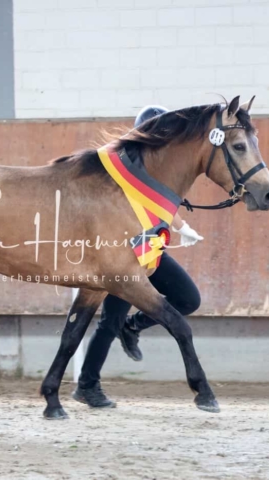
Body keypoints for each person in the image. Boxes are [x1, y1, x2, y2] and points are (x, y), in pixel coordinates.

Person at [72, 105, 204, 408]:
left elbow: (162, 204)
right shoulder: (125, 168)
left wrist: (184, 227)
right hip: (122, 253)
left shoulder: (159, 170)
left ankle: (133, 326)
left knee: (188, 299)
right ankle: (87, 386)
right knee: (109, 320)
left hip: (150, 248)